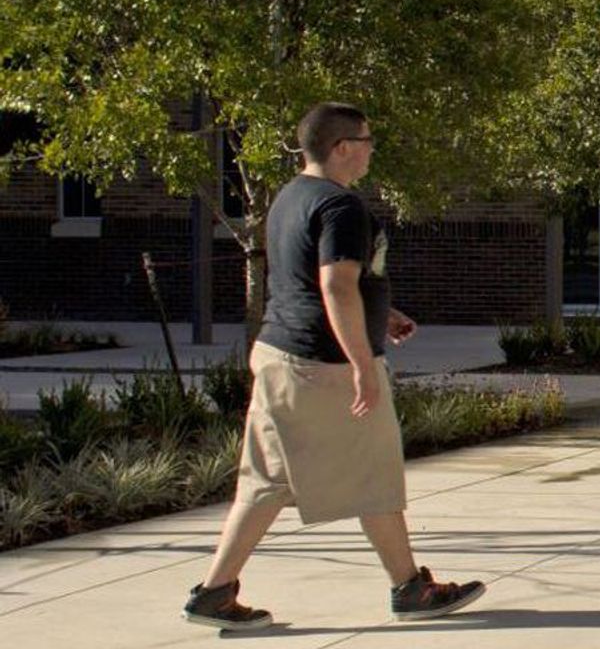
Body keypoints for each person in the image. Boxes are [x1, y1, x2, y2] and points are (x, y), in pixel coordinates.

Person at [183, 103, 485, 632]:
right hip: (322, 369)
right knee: (375, 473)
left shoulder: (291, 196)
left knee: (266, 482)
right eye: (367, 140)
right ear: (342, 146)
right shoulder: (342, 207)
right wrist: (362, 363)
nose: (371, 150)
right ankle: (409, 588)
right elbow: (334, 285)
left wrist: (379, 314)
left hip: (279, 356)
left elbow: (307, 280)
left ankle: (214, 592)